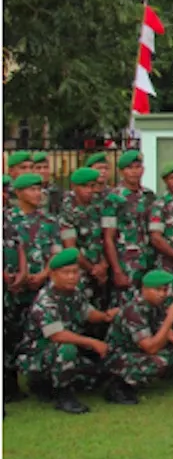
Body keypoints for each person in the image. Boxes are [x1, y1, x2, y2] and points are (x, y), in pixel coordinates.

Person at [15, 248, 116, 414]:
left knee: (99, 374)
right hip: (38, 355)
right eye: (66, 273)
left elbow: (88, 312)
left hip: (60, 352)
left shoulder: (74, 293)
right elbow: (57, 335)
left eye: (75, 272)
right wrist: (93, 342)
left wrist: (106, 316)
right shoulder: (46, 300)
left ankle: (47, 386)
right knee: (67, 348)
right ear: (53, 274)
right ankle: (64, 396)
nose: (72, 277)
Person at [102, 269, 173, 404]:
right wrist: (169, 319)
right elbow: (150, 348)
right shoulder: (134, 310)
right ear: (144, 289)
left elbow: (171, 336)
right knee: (159, 361)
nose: (162, 294)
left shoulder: (156, 306)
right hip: (118, 356)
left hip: (139, 352)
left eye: (164, 290)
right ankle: (118, 386)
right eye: (157, 290)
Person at [4, 172, 62, 402]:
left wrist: (44, 274)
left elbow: (56, 252)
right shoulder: (8, 220)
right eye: (32, 190)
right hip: (14, 287)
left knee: (40, 333)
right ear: (18, 193)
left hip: (42, 286)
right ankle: (9, 384)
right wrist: (18, 275)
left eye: (39, 190)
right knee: (9, 334)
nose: (38, 194)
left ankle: (42, 381)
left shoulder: (49, 221)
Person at [101, 150, 156, 305]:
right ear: (121, 171)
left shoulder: (149, 196)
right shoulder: (113, 198)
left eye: (137, 167)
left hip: (148, 261)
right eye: (129, 168)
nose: (134, 172)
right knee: (126, 309)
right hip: (126, 263)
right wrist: (117, 270)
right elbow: (108, 238)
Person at [58, 168, 110, 314]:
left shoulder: (99, 206)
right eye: (84, 186)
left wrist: (104, 264)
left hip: (103, 271)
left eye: (92, 186)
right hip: (81, 273)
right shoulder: (67, 212)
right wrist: (93, 269)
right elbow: (71, 248)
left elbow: (108, 237)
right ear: (74, 187)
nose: (89, 190)